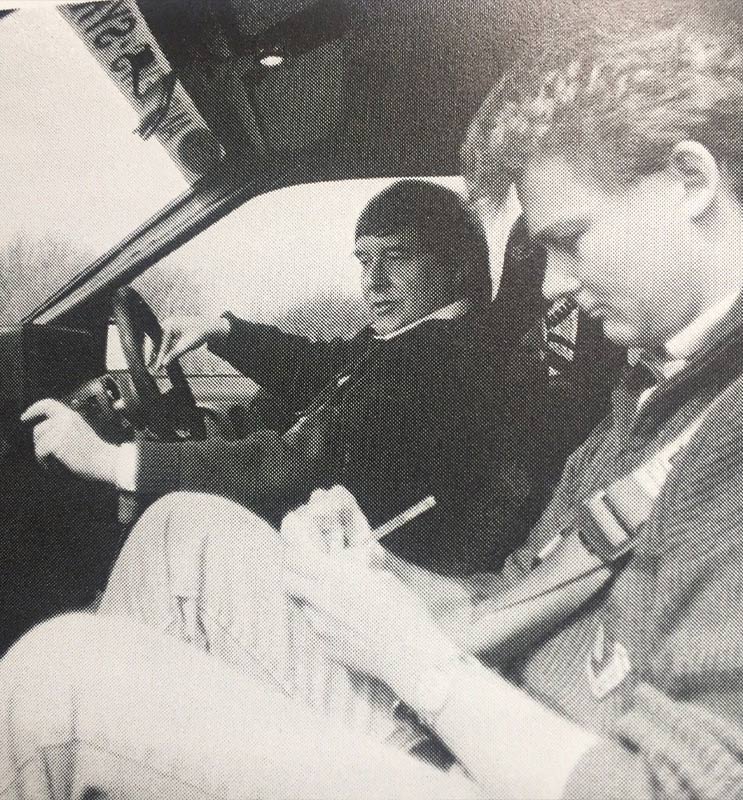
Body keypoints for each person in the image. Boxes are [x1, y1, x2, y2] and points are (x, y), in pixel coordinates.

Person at [4, 16, 743, 799]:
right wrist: (389, 579)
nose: (553, 286)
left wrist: (416, 661)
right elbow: (517, 591)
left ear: (690, 181)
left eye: (573, 239)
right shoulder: (654, 395)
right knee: (186, 534)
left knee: (57, 687)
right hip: (479, 712)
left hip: (503, 757)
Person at [21, 180, 511, 571]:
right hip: (353, 548)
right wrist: (222, 331)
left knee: (167, 534)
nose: (373, 282)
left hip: (384, 575)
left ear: (451, 267)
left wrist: (108, 460)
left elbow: (288, 466)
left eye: (396, 258)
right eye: (365, 261)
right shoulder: (417, 340)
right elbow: (322, 366)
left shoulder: (439, 360)